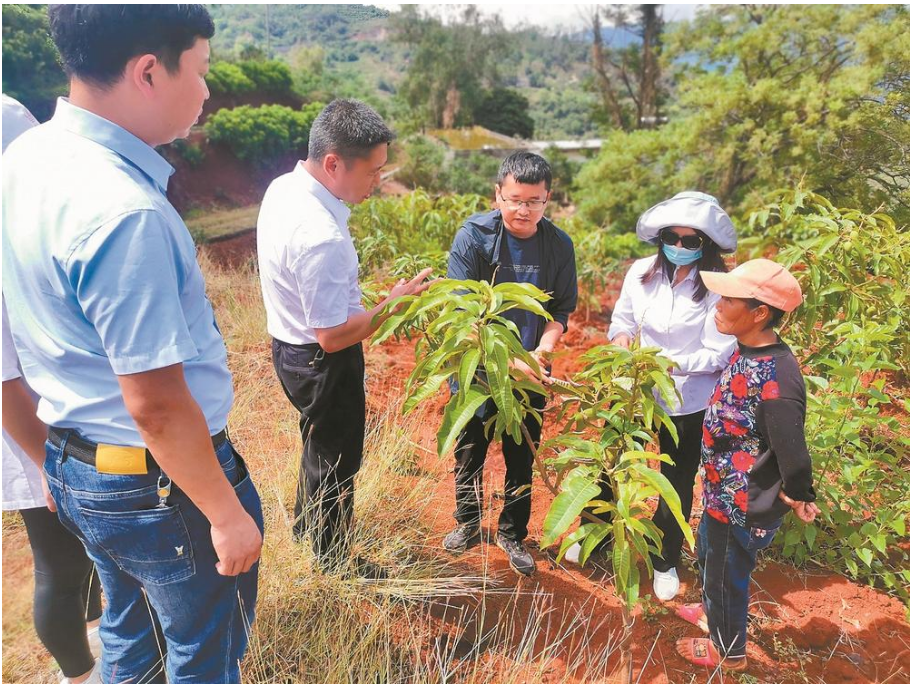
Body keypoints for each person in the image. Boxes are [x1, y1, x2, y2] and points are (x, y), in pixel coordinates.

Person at [1, 6, 263, 683]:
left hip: (79, 461)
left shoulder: (28, 156)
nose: (206, 91)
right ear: (148, 72)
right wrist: (226, 513)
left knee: (129, 632)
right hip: (156, 485)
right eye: (200, 71)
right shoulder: (123, 211)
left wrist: (56, 463)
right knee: (204, 654)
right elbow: (157, 404)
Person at [257, 99, 433, 574]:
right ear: (333, 164)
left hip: (289, 348)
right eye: (373, 171)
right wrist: (394, 304)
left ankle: (307, 530)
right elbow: (333, 336)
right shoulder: (320, 236)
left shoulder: (285, 187)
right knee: (336, 457)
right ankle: (332, 560)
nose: (378, 180)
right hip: (320, 360)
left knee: (318, 443)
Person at [565, 192, 738, 602]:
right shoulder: (641, 272)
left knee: (675, 479)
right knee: (610, 462)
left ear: (706, 245)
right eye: (670, 238)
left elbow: (718, 353)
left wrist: (664, 364)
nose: (678, 246)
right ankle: (594, 536)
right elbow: (622, 321)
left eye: (690, 240)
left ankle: (665, 559)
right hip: (633, 391)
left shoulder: (718, 287)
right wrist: (624, 344)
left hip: (687, 399)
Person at [674, 258, 819, 670]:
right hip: (722, 491)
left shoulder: (777, 378)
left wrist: (799, 493)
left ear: (759, 313)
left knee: (726, 575)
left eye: (729, 300)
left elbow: (792, 448)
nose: (718, 305)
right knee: (709, 555)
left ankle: (728, 652)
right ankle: (710, 612)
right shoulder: (749, 349)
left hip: (743, 501)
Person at [2, 94, 102, 685]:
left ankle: (99, 639)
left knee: (84, 553)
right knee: (58, 563)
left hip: (53, 415)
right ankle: (79, 674)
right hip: (25, 426)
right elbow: (4, 382)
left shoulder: (25, 226)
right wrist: (46, 464)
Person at [442, 151, 578, 577]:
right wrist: (506, 363)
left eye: (534, 201)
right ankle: (467, 522)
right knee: (470, 447)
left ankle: (512, 533)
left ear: (547, 198)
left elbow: (559, 312)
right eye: (515, 199)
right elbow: (464, 314)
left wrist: (543, 351)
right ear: (497, 194)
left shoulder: (558, 245)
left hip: (531, 372)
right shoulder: (474, 237)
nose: (524, 210)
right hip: (477, 366)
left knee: (522, 454)